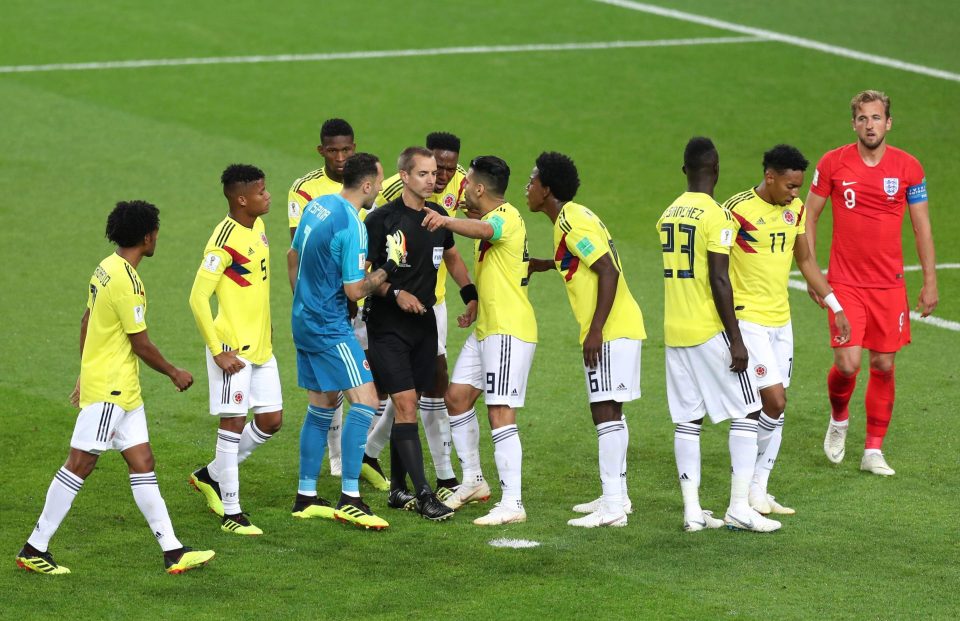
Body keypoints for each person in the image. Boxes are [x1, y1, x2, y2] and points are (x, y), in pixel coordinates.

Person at [16, 201, 214, 575]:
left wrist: (83, 370)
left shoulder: (105, 268)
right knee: (80, 463)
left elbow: (87, 319)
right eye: (155, 231)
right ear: (146, 236)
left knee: (143, 463)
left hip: (120, 389)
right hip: (112, 390)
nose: (157, 236)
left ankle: (173, 551)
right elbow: (141, 344)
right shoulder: (128, 283)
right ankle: (35, 547)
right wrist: (173, 372)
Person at [806, 90, 938, 476]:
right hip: (844, 282)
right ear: (854, 124)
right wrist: (813, 271)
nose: (870, 125)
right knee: (848, 364)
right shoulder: (833, 163)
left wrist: (929, 280)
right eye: (863, 118)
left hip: (889, 286)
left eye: (876, 118)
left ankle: (873, 451)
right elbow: (809, 216)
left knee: (883, 363)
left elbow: (922, 227)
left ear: (888, 123)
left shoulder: (908, 168)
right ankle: (839, 418)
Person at [657, 137, 780, 533]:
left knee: (688, 421)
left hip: (674, 331)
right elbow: (719, 279)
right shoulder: (717, 217)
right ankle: (739, 507)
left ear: (685, 170)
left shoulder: (668, 213)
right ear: (716, 169)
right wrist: (736, 338)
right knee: (748, 411)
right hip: (708, 329)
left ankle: (693, 512)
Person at [724, 145, 851, 516]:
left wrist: (835, 304)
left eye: (798, 186)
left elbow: (806, 259)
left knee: (780, 406)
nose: (797, 194)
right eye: (791, 186)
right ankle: (745, 485)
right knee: (773, 401)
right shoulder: (736, 211)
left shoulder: (794, 211)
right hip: (748, 320)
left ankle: (759, 490)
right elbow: (714, 268)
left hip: (782, 321)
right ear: (770, 177)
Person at [526, 152, 645, 528]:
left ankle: (613, 507)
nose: (526, 188)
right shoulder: (576, 215)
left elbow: (606, 270)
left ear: (547, 189)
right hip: (620, 325)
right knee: (612, 410)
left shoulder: (570, 221)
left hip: (610, 329)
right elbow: (582, 259)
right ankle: (618, 498)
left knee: (604, 410)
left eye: (532, 181)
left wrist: (595, 330)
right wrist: (545, 264)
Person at [422, 155, 537, 526]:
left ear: (480, 188)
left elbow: (485, 233)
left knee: (500, 412)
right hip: (486, 327)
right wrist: (473, 301)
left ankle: (513, 502)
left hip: (507, 330)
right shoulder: (490, 217)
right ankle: (473, 480)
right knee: (456, 397)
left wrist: (443, 220)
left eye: (466, 182)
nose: (462, 187)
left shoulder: (504, 217)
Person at [287, 152, 399, 530]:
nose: (381, 187)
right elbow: (354, 291)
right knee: (366, 402)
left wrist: (305, 301)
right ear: (366, 185)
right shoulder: (354, 225)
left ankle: (305, 497)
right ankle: (350, 497)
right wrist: (388, 269)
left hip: (303, 319)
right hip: (330, 327)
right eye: (379, 181)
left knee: (320, 407)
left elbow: (292, 256)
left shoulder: (317, 206)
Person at [364, 146, 475, 522]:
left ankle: (397, 490)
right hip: (388, 325)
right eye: (424, 174)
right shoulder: (381, 220)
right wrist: (395, 292)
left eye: (434, 174)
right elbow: (362, 278)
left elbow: (453, 258)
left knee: (406, 406)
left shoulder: (439, 217)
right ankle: (425, 494)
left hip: (424, 326)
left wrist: (469, 293)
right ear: (405, 177)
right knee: (407, 404)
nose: (433, 179)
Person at [187, 164, 282, 536]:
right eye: (261, 191)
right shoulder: (222, 240)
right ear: (241, 199)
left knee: (272, 421)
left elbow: (255, 285)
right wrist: (216, 350)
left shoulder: (256, 225)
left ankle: (210, 474)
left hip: (261, 347)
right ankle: (231, 511)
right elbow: (197, 298)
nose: (268, 195)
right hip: (232, 350)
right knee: (233, 424)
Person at [287, 117, 358, 475]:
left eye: (346, 149)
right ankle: (339, 461)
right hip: (327, 306)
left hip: (360, 296)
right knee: (336, 388)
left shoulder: (363, 183)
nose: (340, 157)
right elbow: (297, 251)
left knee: (366, 381)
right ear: (321, 151)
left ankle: (361, 454)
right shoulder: (304, 188)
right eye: (333, 150)